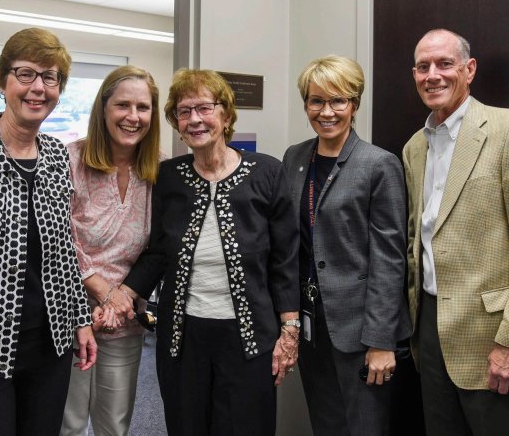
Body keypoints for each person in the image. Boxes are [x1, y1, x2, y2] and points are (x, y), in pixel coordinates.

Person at [117, 68, 300, 436]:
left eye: (204, 108)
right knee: (187, 425)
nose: (195, 119)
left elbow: (285, 259)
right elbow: (158, 253)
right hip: (182, 336)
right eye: (184, 112)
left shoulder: (267, 172)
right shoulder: (167, 177)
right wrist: (125, 291)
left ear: (226, 115)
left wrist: (290, 329)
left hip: (249, 336)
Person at [0, 28, 97, 436]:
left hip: (50, 345)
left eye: (50, 77)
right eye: (25, 74)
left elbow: (62, 252)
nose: (38, 88)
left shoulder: (56, 156)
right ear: (3, 81)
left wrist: (80, 319)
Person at [282, 55, 412, 436]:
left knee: (363, 428)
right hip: (311, 326)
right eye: (316, 101)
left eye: (338, 101)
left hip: (360, 331)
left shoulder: (378, 165)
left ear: (354, 105)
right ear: (305, 104)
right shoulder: (294, 158)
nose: (327, 112)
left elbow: (390, 261)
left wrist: (381, 342)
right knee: (326, 424)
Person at [403, 28, 509, 436]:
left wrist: (507, 343)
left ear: (470, 69)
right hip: (429, 328)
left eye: (445, 64)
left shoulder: (501, 131)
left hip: (491, 335)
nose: (433, 75)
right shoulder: (415, 147)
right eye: (423, 66)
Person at [59, 65, 164, 436]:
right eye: (123, 105)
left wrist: (123, 298)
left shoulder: (158, 172)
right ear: (103, 108)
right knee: (67, 425)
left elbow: (159, 246)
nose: (133, 117)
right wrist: (102, 291)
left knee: (114, 425)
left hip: (123, 321)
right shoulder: (66, 161)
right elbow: (57, 236)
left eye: (143, 107)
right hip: (68, 320)